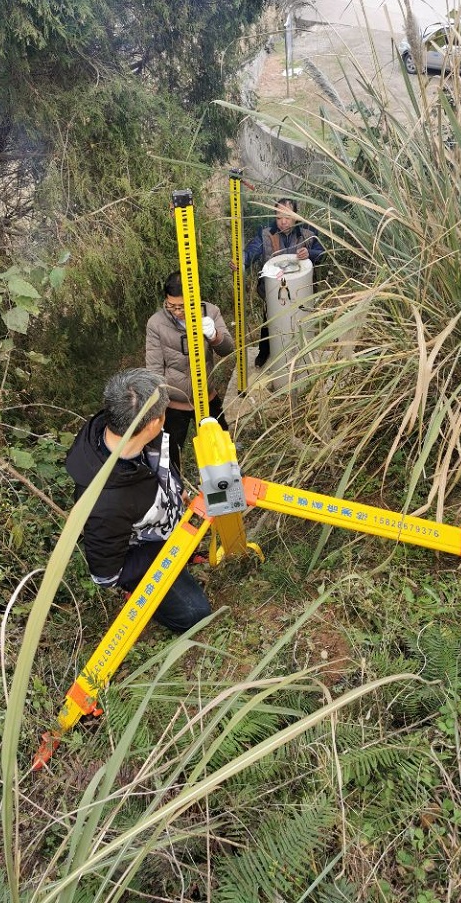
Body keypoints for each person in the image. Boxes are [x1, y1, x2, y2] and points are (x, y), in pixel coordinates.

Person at [65, 368, 212, 633]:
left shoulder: (128, 428)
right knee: (195, 615)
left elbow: (159, 471)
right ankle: (140, 593)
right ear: (154, 423)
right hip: (147, 550)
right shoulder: (104, 505)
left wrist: (176, 492)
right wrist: (169, 548)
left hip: (164, 529)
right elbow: (106, 575)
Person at [145, 271, 234, 469]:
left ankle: (228, 479)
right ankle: (176, 485)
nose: (177, 312)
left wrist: (214, 335)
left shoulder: (210, 312)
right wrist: (158, 404)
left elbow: (228, 349)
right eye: (172, 306)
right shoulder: (156, 324)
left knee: (222, 447)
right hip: (175, 401)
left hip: (207, 395)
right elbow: (154, 368)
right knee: (170, 455)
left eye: (183, 306)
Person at [235, 198, 325, 367]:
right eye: (279, 217)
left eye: (288, 217)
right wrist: (242, 261)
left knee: (301, 320)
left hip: (301, 291)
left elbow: (321, 253)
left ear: (295, 216)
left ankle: (302, 353)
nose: (283, 221)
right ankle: (264, 351)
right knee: (270, 319)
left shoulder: (308, 232)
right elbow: (252, 250)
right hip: (273, 289)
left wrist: (310, 253)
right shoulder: (266, 233)